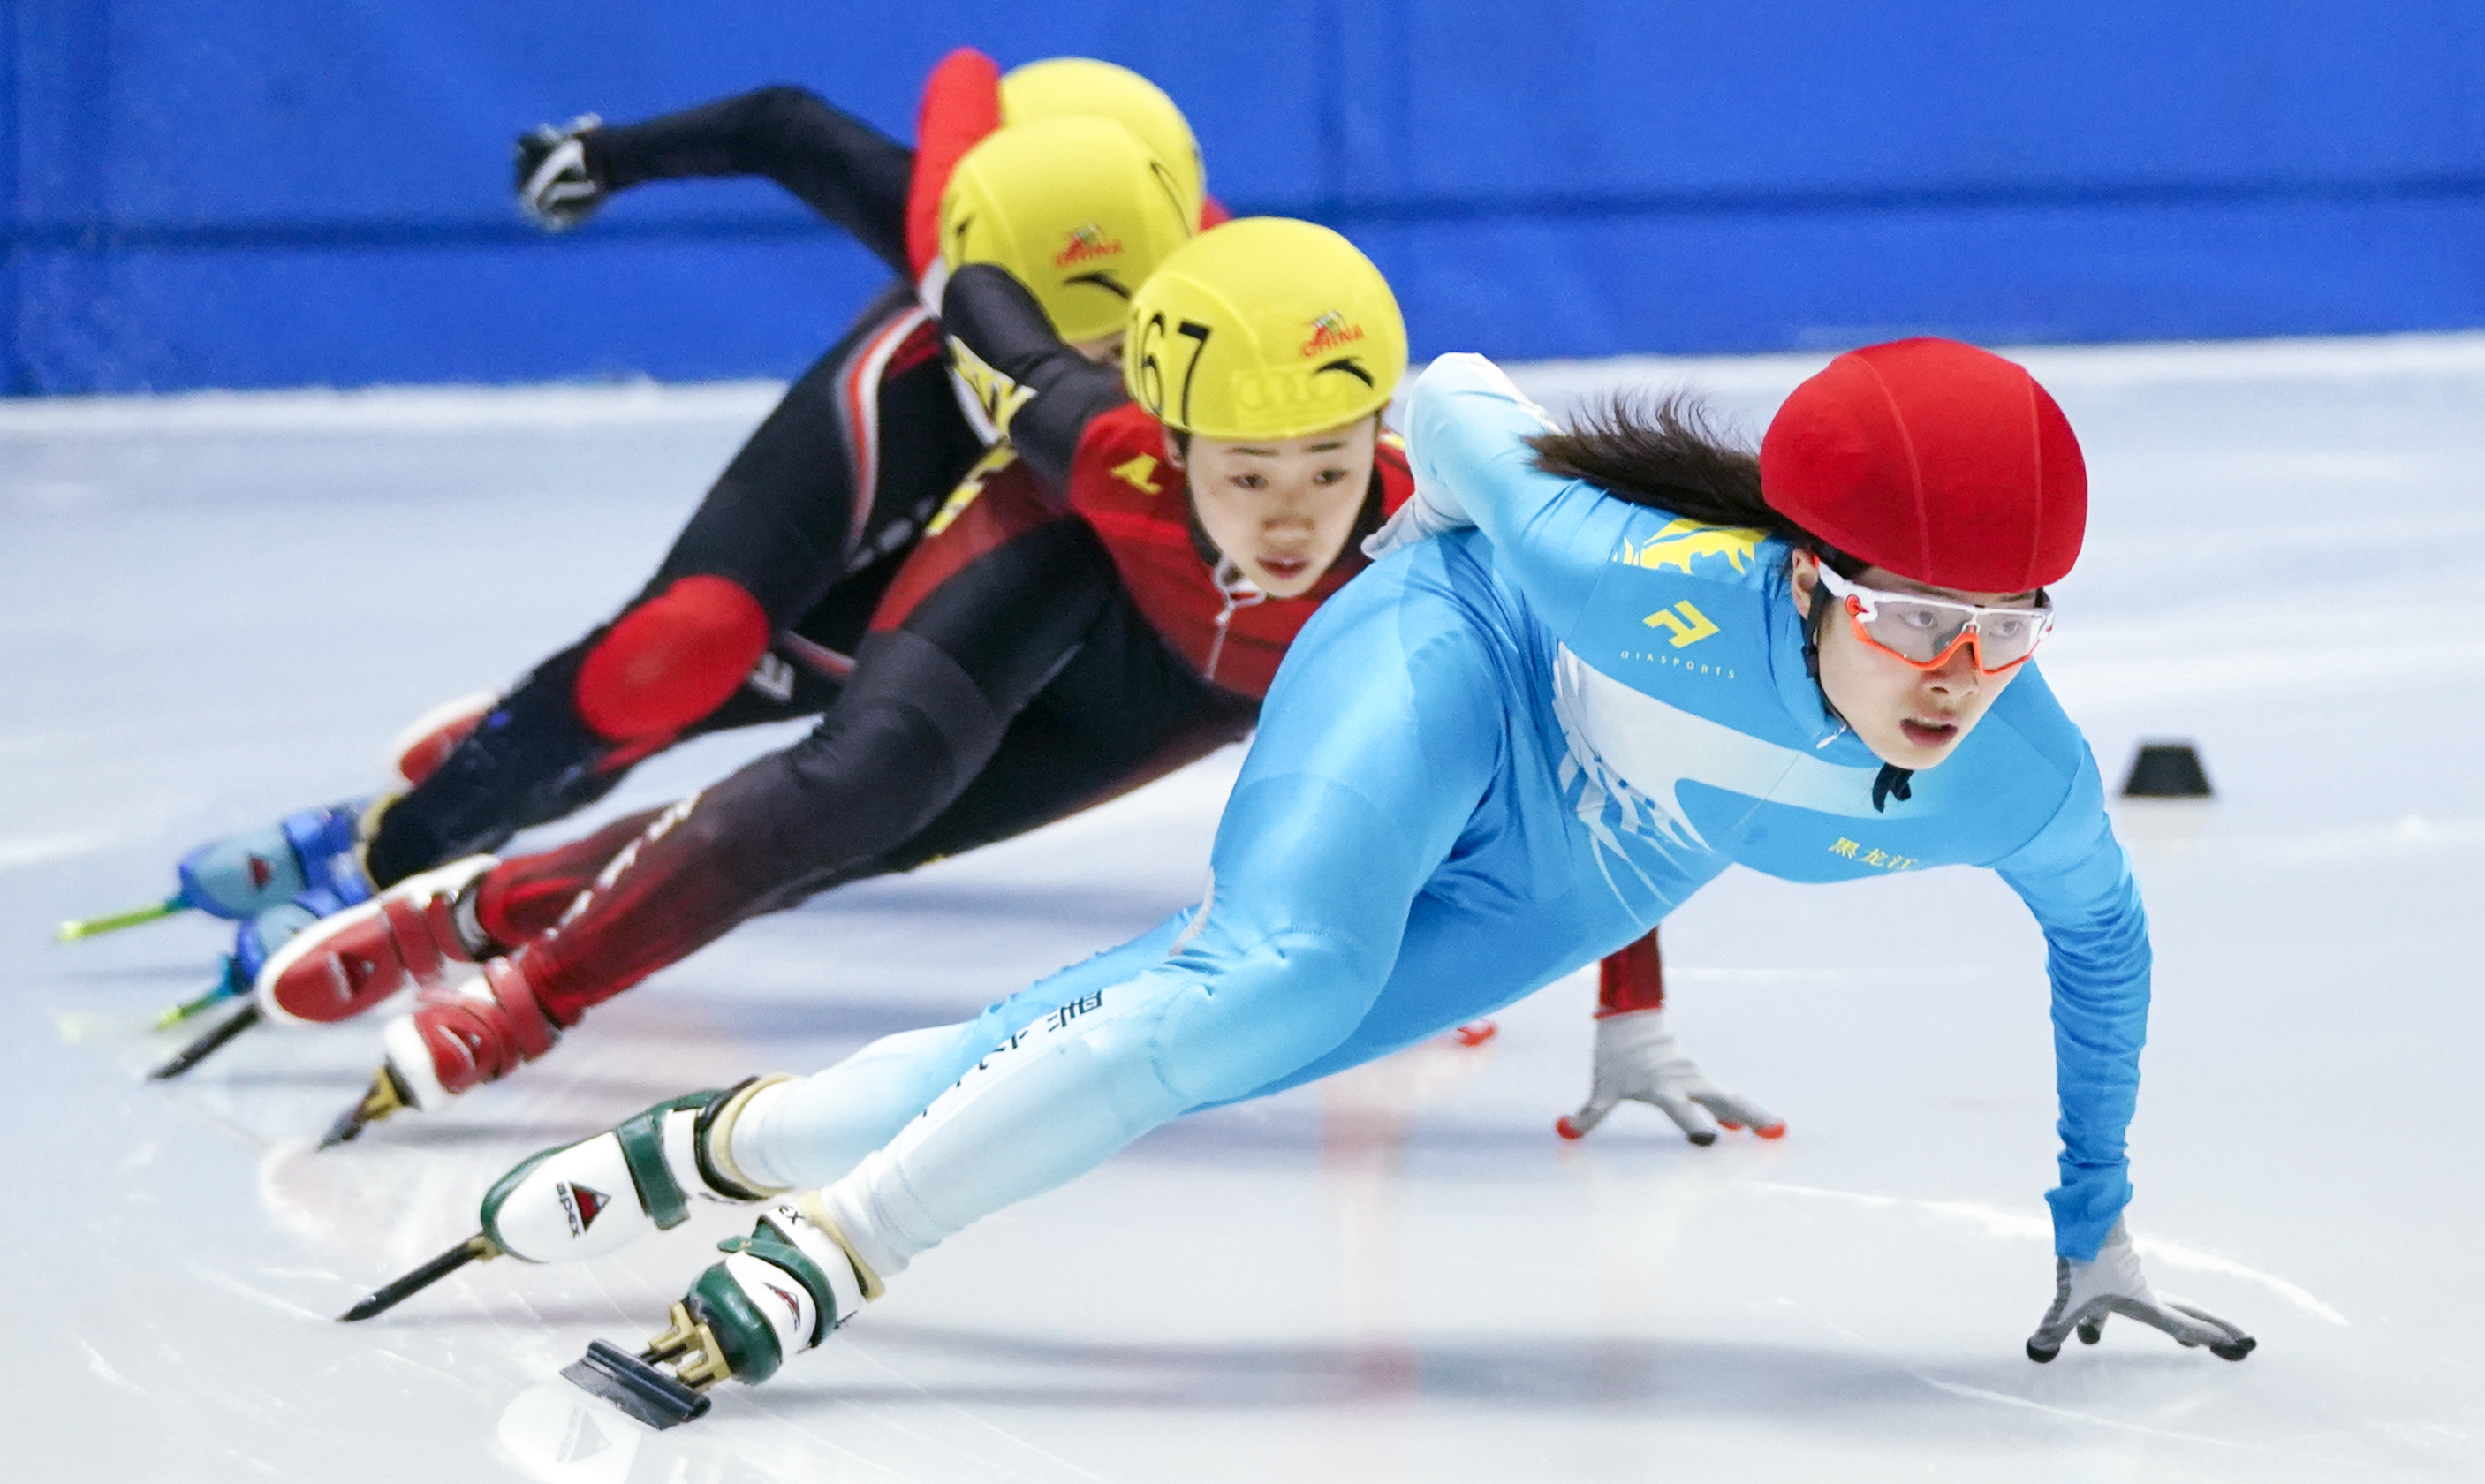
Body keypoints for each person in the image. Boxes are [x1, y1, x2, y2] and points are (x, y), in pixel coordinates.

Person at [517, 334, 2255, 1423]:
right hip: (1453, 652)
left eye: (2004, 629)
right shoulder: (1624, 573)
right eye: (1909, 619)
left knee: (1166, 1037)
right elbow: (1453, 395)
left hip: (1592, 855)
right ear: (1805, 578)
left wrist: (2088, 1219)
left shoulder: (2015, 774)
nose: (1954, 673)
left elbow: (2101, 942)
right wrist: (1441, 511)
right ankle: (823, 1255)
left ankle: (724, 1146)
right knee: (1278, 973)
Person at [278, 219, 1761, 1162]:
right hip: (1062, 573)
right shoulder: (1093, 443)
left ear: (1379, 429)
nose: (1293, 515)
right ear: (1169, 443)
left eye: (1324, 466)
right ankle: (523, 996)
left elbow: (1604, 772)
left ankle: (473, 905)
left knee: (859, 849)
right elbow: (968, 276)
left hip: (1195, 694)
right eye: (1244, 474)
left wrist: (1627, 1013)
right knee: (847, 789)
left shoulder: (1445, 540)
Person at [80, 54, 1201, 1019]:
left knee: (757, 695)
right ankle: (407, 839)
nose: (1056, 386)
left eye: (1109, 355)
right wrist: (604, 155)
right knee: (685, 644)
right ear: (962, 261)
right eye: (1029, 342)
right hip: (911, 413)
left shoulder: (1216, 308)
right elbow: (785, 126)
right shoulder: (948, 222)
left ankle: (470, 786)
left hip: (1036, 515)